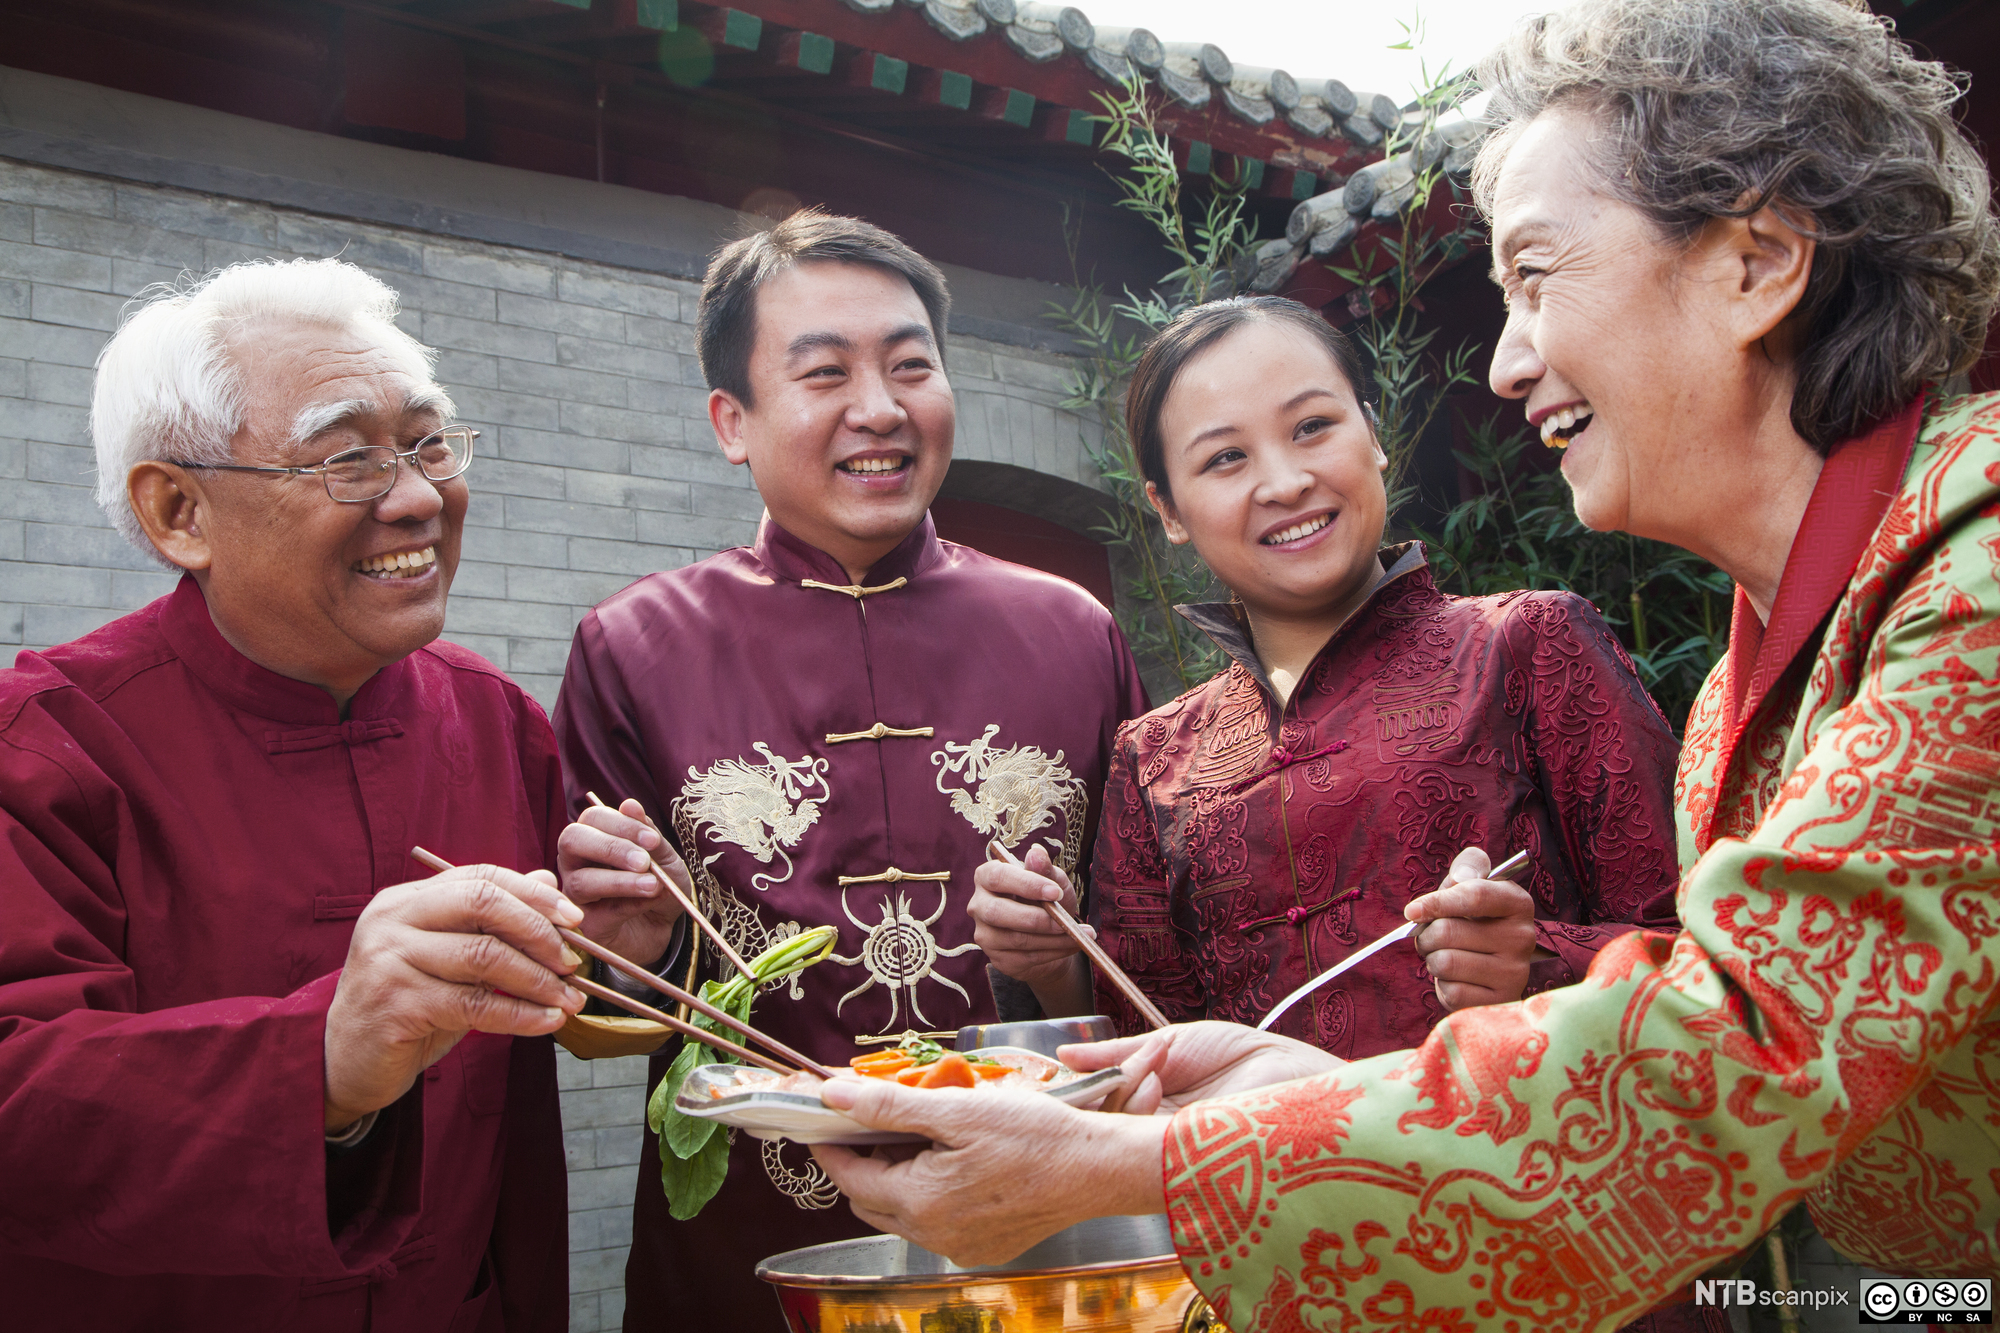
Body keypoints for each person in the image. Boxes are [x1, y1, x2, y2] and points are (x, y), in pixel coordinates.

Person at [809, 0, 2000, 1326]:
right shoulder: (1741, 686)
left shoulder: (1975, 573)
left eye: (1539, 276)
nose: (1504, 361)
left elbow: (1717, 1058)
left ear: (1758, 262)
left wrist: (1143, 1160)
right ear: (1165, 507)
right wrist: (1272, 1081)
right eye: (1219, 459)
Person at [0, 257, 635, 1331]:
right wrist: (326, 1061)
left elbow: (562, 1030)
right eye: (347, 460)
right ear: (179, 510)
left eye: (429, 442)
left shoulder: (489, 718)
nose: (419, 497)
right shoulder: (48, 744)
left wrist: (623, 947)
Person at [550, 209, 1149, 1329]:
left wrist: (1064, 959)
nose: (878, 409)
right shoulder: (632, 645)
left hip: (1044, 1230)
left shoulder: (1072, 630)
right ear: (732, 420)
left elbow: (1156, 955)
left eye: (909, 365)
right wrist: (624, 953)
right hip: (745, 1242)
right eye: (824, 372)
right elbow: (598, 1009)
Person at [970, 295, 1686, 1066]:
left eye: (1312, 427)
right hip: (1258, 1178)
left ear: (1373, 435)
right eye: (1225, 458)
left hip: (1520, 1170)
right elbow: (1153, 1040)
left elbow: (1701, 957)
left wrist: (1536, 956)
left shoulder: (1527, 643)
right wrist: (1055, 963)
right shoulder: (1154, 758)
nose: (1284, 481)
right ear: (1168, 509)